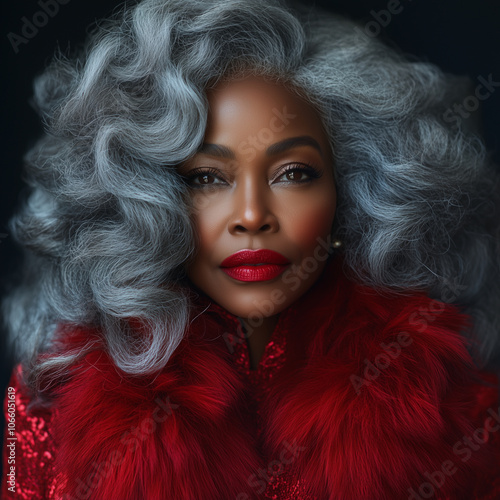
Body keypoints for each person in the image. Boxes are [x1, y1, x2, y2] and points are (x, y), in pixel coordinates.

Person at [2, 0, 500, 498]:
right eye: (206, 178)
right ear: (148, 201)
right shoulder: (48, 405)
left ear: (350, 193)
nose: (251, 215)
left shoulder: (451, 403)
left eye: (294, 174)